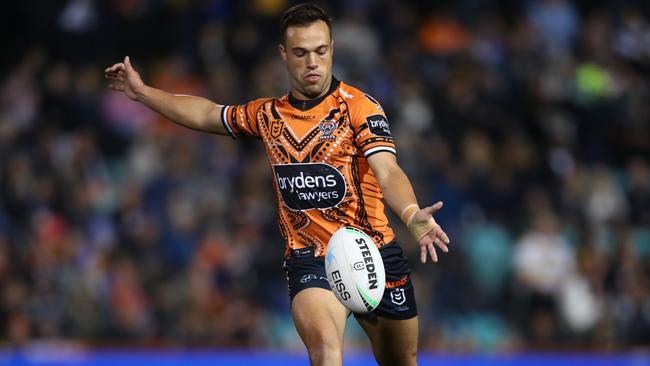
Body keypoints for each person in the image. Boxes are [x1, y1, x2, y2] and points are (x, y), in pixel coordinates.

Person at [105, 4, 450, 365]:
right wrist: (143, 92)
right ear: (284, 54)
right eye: (301, 53)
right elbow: (207, 113)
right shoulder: (267, 115)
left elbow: (388, 171)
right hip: (310, 260)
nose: (312, 62)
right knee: (325, 351)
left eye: (320, 51)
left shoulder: (360, 109)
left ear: (332, 49)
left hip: (375, 254)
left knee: (401, 361)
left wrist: (411, 214)